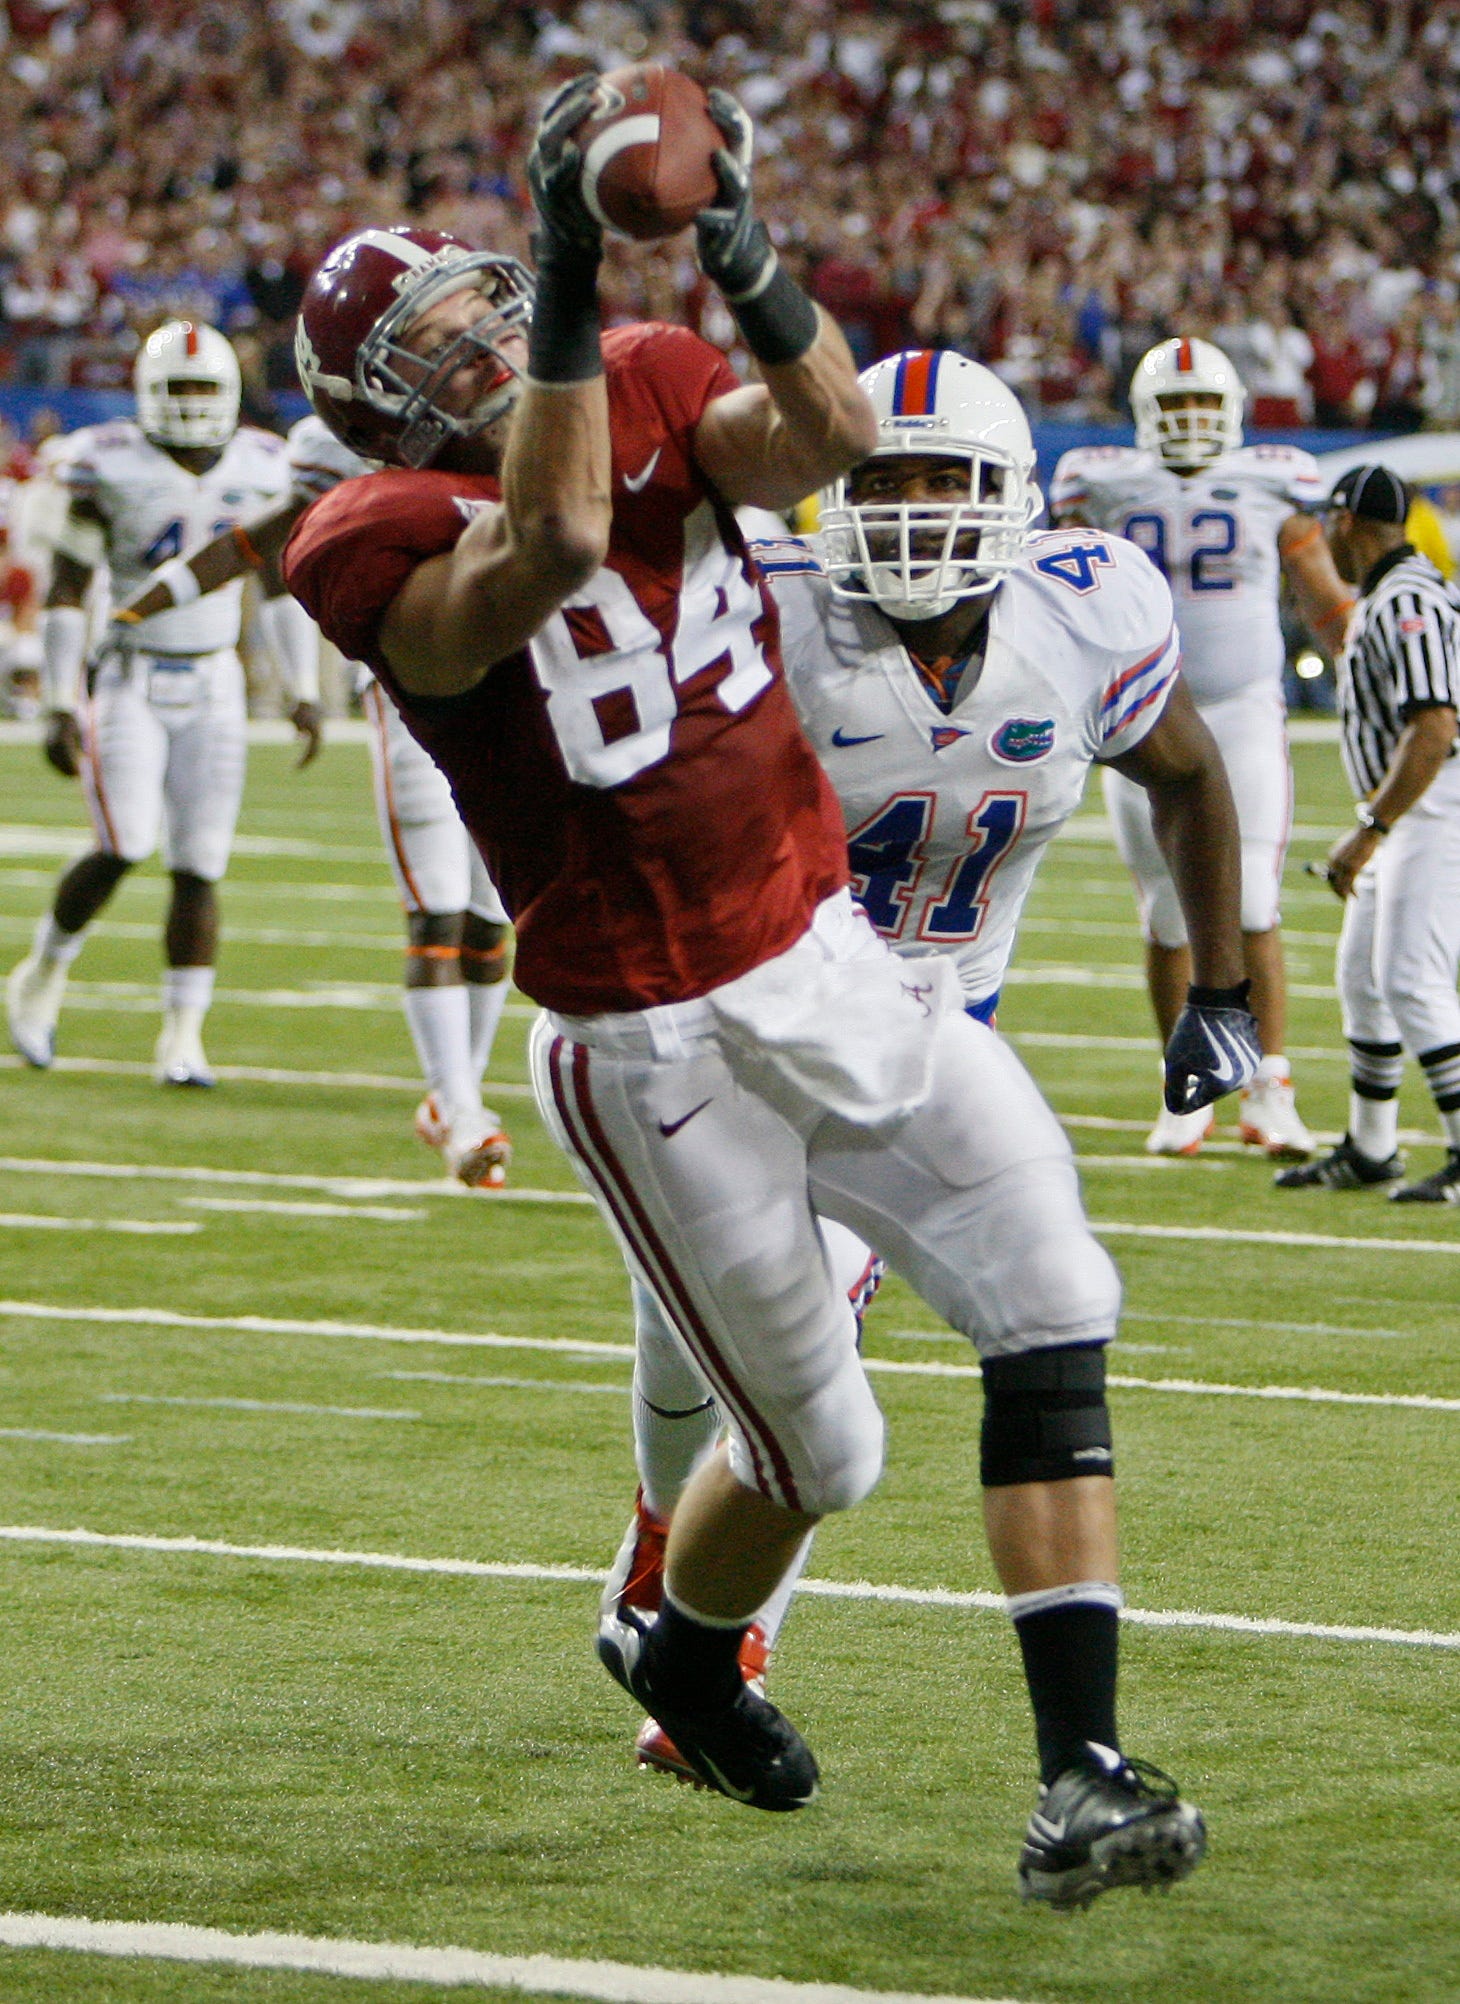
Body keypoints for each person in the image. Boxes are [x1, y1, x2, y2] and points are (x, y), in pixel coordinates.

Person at [283, 78, 1252, 1906]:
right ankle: (683, 1642)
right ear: (372, 396)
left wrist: (736, 243)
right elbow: (555, 547)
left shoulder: (647, 369)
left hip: (827, 951)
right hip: (651, 1038)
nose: (493, 326)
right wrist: (573, 273)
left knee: (1056, 1276)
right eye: (448, 328)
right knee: (824, 1449)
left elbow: (818, 434)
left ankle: (1085, 1769)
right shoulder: (366, 533)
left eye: (497, 292)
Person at [615, 348, 1256, 1789]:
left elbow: (1194, 774)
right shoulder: (759, 613)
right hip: (735, 1022)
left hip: (931, 1038)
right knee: (688, 1346)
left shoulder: (1084, 618)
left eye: (941, 481)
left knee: (822, 1354)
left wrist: (1220, 990)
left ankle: (708, 1660)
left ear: (1013, 499)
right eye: (877, 481)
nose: (907, 515)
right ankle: (664, 1569)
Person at [92, 412, 513, 1187]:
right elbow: (246, 545)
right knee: (437, 910)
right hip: (408, 689)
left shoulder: (500, 425)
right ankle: (459, 1109)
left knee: (493, 921)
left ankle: (459, 1095)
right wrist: (136, 610)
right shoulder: (339, 447)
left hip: (514, 692)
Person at [1051, 335, 1355, 1160]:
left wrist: (1366, 664)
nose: (1188, 422)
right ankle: (1184, 1085)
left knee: (1252, 900)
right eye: (1174, 406)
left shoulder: (1273, 480)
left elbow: (1320, 595)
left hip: (1244, 709)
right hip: (1140, 713)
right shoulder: (1099, 483)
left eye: (1202, 407)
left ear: (1233, 414)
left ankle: (1270, 1087)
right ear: (1146, 415)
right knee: (1165, 912)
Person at [4, 320, 307, 1085]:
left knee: (200, 864)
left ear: (232, 395)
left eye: (204, 388)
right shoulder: (106, 462)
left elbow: (274, 586)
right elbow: (70, 590)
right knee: (125, 840)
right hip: (130, 674)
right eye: (178, 388)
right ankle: (42, 969)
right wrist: (60, 703)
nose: (192, 403)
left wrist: (302, 688)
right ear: (146, 393)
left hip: (214, 678)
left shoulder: (262, 463)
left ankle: (182, 1036)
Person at [1275, 465, 1460, 1203]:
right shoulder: (1392, 593)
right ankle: (1373, 1147)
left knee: (1411, 977)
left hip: (1432, 801)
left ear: (1346, 523)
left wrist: (1372, 827)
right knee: (1364, 975)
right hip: (1412, 802)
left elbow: (1435, 728)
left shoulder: (1407, 598)